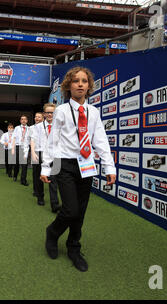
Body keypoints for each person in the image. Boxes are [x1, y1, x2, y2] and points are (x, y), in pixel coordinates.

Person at [40, 66, 116, 272]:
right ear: (68, 86)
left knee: (80, 212)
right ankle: (53, 233)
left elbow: (100, 140)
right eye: (76, 81)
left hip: (87, 165)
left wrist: (110, 166)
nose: (80, 84)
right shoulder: (62, 111)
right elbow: (52, 142)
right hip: (65, 165)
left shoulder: (94, 112)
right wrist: (46, 169)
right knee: (70, 209)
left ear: (89, 86)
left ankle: (74, 247)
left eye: (84, 81)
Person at [31, 104, 60, 213]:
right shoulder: (37, 127)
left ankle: (55, 204)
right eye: (47, 112)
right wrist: (33, 152)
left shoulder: (59, 126)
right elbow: (33, 139)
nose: (49, 114)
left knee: (54, 179)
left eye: (52, 112)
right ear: (44, 114)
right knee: (40, 177)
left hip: (55, 154)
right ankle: (40, 197)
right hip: (40, 152)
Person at [11, 115, 30, 186]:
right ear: (20, 121)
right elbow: (14, 138)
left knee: (24, 165)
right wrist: (13, 149)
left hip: (25, 148)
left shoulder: (29, 129)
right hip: (18, 147)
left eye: (25, 119)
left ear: (27, 121)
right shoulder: (17, 128)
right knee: (17, 164)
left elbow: (31, 139)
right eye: (22, 119)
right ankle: (15, 175)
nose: (23, 120)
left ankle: (23, 180)